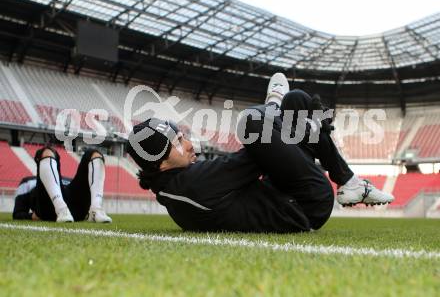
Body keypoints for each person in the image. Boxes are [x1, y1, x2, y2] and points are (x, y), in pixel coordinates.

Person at [127, 73, 394, 233]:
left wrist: (299, 127)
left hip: (284, 194)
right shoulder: (188, 185)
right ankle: (274, 105)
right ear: (160, 163)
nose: (188, 145)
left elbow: (260, 159)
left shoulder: (178, 184)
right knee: (252, 121)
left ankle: (349, 183)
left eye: (183, 136)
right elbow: (256, 157)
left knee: (297, 100)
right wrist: (300, 125)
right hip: (305, 206)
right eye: (177, 142)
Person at [12, 146, 112, 223]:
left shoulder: (69, 181)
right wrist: (31, 216)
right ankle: (61, 209)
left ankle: (96, 209)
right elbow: (17, 213)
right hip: (50, 209)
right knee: (46, 151)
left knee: (94, 154)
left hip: (76, 209)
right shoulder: (28, 181)